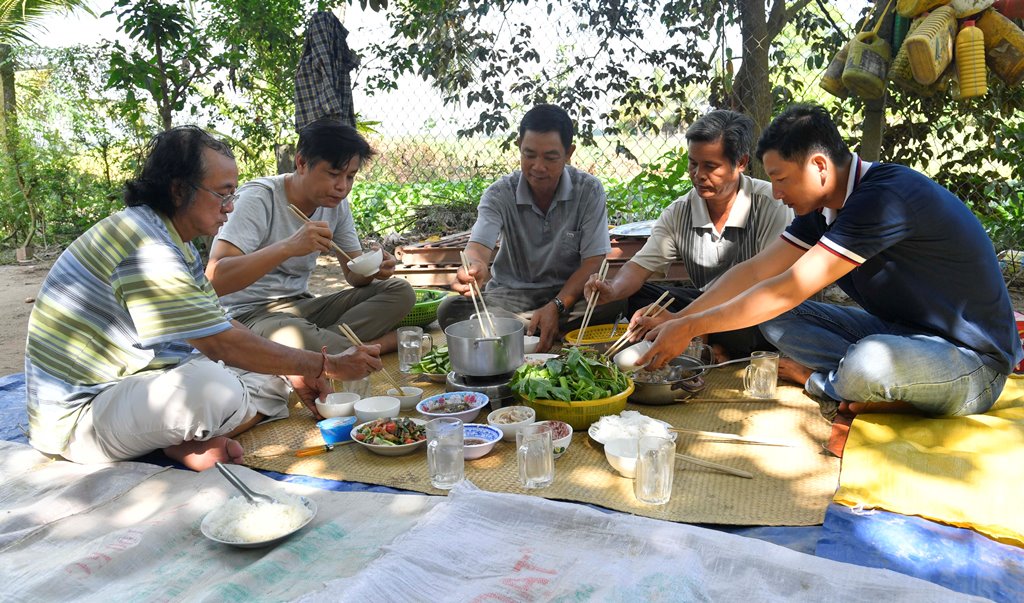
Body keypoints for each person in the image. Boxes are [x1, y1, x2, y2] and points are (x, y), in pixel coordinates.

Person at [24, 126, 383, 471]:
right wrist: (325, 366)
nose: (230, 207)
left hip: (135, 383)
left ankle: (188, 437)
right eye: (224, 193)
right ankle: (184, 438)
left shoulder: (171, 239)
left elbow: (219, 324)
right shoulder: (145, 245)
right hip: (77, 419)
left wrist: (297, 368)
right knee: (216, 388)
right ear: (180, 189)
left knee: (277, 371)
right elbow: (219, 343)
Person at [635, 104, 1022, 417]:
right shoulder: (820, 210)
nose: (778, 192)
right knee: (771, 316)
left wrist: (691, 327)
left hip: (973, 363)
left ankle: (821, 381)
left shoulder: (885, 198)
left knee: (869, 362)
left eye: (781, 179)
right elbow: (755, 272)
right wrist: (682, 320)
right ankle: (861, 384)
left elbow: (789, 288)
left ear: (819, 166)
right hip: (900, 334)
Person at [583, 109, 791, 361]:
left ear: (741, 163)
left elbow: (767, 285)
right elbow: (640, 266)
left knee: (765, 324)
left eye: (711, 166)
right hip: (700, 306)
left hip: (751, 308)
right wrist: (613, 289)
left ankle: (700, 340)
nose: (698, 174)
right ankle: (706, 345)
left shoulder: (771, 205)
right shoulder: (680, 211)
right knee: (641, 299)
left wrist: (686, 320)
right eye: (693, 163)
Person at [206, 119, 414, 354]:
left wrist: (373, 269)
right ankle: (370, 346)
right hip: (249, 315)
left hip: (303, 306)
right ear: (302, 162)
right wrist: (288, 247)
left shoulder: (336, 204)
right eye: (334, 174)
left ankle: (325, 349)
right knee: (292, 333)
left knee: (399, 291)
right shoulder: (258, 199)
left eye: (350, 177)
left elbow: (354, 276)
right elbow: (215, 279)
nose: (342, 187)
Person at [436, 104, 614, 352]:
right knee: (450, 311)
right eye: (529, 155)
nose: (538, 167)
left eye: (550, 157)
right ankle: (546, 329)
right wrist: (474, 267)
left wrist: (557, 304)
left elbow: (593, 261)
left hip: (567, 295)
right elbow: (478, 246)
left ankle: (518, 332)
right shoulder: (499, 194)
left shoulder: (588, 190)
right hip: (511, 296)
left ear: (569, 152)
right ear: (519, 146)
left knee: (614, 301)